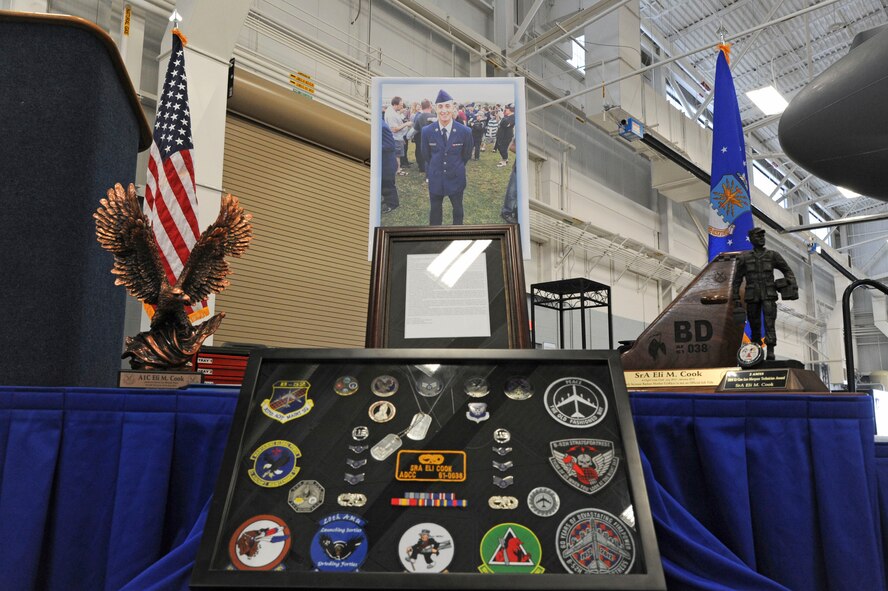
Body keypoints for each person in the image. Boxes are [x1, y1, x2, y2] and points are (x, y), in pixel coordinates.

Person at [731, 227, 798, 360]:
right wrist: (736, 298)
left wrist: (788, 281)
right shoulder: (744, 258)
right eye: (758, 236)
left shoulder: (773, 255)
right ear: (751, 239)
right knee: (754, 323)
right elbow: (736, 280)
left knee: (769, 323)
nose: (761, 238)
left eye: (762, 236)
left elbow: (788, 271)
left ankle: (771, 350)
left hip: (769, 294)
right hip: (752, 296)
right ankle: (756, 350)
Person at [421, 89, 473, 225]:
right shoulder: (427, 131)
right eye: (440, 106)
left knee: (458, 210)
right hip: (436, 177)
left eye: (447, 106)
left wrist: (455, 166)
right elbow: (426, 155)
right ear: (435, 109)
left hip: (456, 178)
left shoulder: (465, 131)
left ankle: (458, 236)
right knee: (435, 211)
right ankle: (435, 237)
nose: (444, 110)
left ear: (453, 108)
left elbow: (466, 155)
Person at [384, 96, 411, 175]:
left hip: (398, 137)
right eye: (401, 105)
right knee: (397, 155)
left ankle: (397, 168)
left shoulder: (392, 111)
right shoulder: (391, 115)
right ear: (395, 105)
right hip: (395, 138)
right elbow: (394, 129)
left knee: (397, 155)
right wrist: (406, 124)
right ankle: (398, 170)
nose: (402, 107)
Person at [380, 118, 399, 214]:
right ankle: (387, 199)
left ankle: (392, 204)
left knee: (388, 183)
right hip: (384, 161)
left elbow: (390, 145)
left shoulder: (382, 126)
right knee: (383, 183)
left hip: (387, 162)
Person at [412, 99, 435, 176]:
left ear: (421, 107)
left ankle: (425, 171)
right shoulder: (434, 116)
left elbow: (414, 130)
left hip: (423, 139)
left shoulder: (419, 117)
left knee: (424, 155)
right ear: (430, 106)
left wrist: (408, 136)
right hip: (434, 139)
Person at [501, 139, 518, 223]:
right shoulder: (522, 133)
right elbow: (512, 147)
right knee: (512, 192)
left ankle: (517, 212)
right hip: (518, 168)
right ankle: (507, 212)